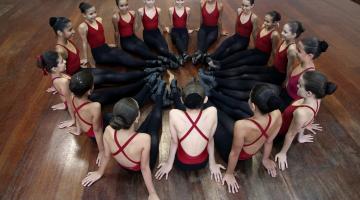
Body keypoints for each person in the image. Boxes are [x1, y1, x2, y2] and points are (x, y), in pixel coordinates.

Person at [81, 81, 167, 200]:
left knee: (148, 124)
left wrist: (99, 173)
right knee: (153, 127)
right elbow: (145, 168)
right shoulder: (144, 139)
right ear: (137, 118)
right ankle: (160, 97)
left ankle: (159, 99)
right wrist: (152, 193)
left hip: (126, 162)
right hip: (138, 167)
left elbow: (106, 156)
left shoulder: (108, 130)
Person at [216, 84, 282, 193]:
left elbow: (234, 154)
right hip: (249, 145)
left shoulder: (241, 126)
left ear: (253, 106)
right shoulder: (277, 114)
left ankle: (209, 104)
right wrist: (265, 159)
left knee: (219, 122)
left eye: (249, 97)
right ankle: (212, 99)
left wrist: (229, 173)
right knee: (228, 117)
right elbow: (269, 141)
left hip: (238, 154)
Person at [155, 80, 224, 183]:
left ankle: (174, 90)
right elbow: (210, 139)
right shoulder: (212, 111)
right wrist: (212, 163)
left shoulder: (173, 114)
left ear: (183, 101)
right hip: (203, 163)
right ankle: (175, 89)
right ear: (205, 100)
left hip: (182, 163)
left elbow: (174, 142)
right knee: (185, 113)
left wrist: (169, 164)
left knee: (179, 108)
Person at [205, 21, 304, 86]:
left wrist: (285, 83)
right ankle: (216, 72)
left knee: (246, 76)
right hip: (272, 69)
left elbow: (289, 69)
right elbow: (275, 56)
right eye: (283, 30)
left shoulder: (291, 50)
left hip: (277, 76)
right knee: (243, 68)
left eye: (285, 32)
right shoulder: (284, 40)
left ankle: (217, 79)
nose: (282, 33)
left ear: (294, 35)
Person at [275, 71, 337, 171]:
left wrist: (283, 153)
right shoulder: (317, 99)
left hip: (279, 129)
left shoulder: (301, 113)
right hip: (287, 119)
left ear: (309, 93)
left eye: (300, 85)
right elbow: (309, 117)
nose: (297, 85)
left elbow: (290, 134)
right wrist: (304, 128)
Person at [77, 2, 160, 68]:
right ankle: (150, 64)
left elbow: (99, 36)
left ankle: (152, 62)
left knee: (124, 55)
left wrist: (107, 44)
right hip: (98, 54)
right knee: (121, 59)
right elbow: (85, 43)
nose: (94, 15)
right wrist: (86, 59)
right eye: (91, 14)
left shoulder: (99, 20)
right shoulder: (83, 27)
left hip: (105, 47)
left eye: (95, 12)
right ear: (84, 15)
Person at [208, 10, 281, 70]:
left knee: (242, 61)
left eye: (267, 22)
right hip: (255, 51)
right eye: (265, 20)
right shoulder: (263, 26)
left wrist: (271, 65)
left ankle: (220, 67)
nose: (265, 23)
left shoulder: (274, 34)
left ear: (274, 23)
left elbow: (274, 51)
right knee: (238, 55)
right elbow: (258, 38)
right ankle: (219, 63)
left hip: (262, 57)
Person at [281, 37, 329, 108]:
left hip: (289, 102)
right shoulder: (301, 63)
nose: (296, 51)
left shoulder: (308, 75)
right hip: (285, 93)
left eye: (299, 51)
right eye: (297, 48)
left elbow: (303, 98)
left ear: (309, 56)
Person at [138, 0, 180, 68]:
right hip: (147, 34)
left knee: (164, 44)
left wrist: (165, 29)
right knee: (160, 47)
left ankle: (167, 62)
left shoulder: (158, 10)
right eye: (148, 0)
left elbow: (160, 22)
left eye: (152, 0)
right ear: (144, 1)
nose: (151, 2)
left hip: (156, 32)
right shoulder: (141, 11)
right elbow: (138, 25)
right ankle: (173, 58)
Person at [192, 0, 228, 65]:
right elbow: (201, 18)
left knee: (208, 41)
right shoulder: (202, 3)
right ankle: (200, 55)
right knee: (200, 41)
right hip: (203, 27)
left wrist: (221, 31)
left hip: (213, 29)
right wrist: (200, 28)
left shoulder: (220, 5)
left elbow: (220, 20)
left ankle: (197, 55)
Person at [167, 0, 193, 65]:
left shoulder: (187, 9)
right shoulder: (171, 9)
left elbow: (187, 22)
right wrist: (169, 31)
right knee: (178, 38)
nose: (179, 3)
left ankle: (182, 56)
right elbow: (171, 23)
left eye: (181, 0)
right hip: (175, 30)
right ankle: (185, 54)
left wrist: (188, 30)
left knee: (185, 40)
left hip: (183, 29)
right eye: (178, 0)